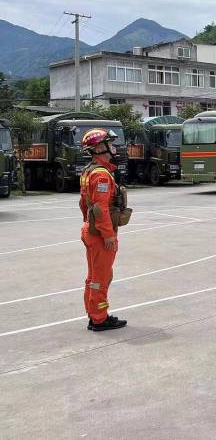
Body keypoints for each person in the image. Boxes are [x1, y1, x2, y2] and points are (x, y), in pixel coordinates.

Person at [79, 128, 128, 331]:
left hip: (91, 231)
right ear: (99, 148)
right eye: (109, 143)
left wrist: (89, 225)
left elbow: (84, 204)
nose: (113, 147)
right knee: (102, 277)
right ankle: (100, 318)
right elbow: (100, 208)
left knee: (93, 277)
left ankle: (94, 314)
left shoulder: (89, 171)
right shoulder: (101, 175)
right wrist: (108, 234)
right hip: (100, 235)